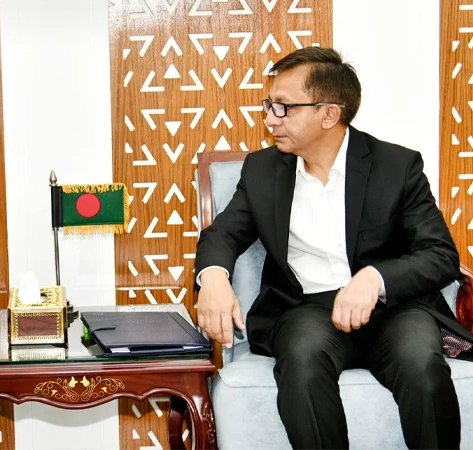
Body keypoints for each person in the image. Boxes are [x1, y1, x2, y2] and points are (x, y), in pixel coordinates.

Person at [195, 47, 473, 449]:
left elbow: (440, 255)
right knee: (302, 361)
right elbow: (223, 233)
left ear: (329, 114)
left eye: (283, 107)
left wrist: (374, 279)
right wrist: (214, 279)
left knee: (421, 364)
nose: (270, 118)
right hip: (307, 311)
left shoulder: (396, 167)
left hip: (394, 309)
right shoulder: (262, 171)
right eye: (269, 105)